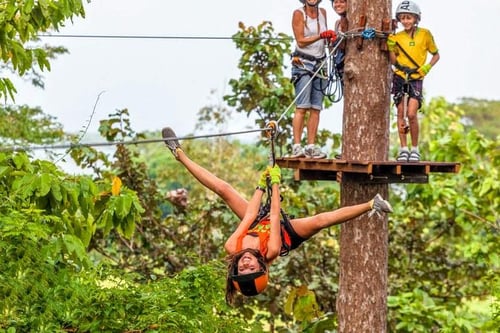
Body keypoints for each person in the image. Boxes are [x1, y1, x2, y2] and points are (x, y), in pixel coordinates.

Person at [162, 127, 393, 304]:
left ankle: (178, 153)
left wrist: (261, 185)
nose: (246, 263)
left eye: (242, 268)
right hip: (281, 232)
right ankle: (372, 204)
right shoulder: (270, 251)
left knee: (225, 190)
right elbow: (274, 217)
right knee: (320, 221)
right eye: (251, 268)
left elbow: (251, 214)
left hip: (255, 221)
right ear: (261, 267)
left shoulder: (233, 246)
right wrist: (275, 184)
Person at [387, 1, 440, 162]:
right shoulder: (397, 37)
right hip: (400, 75)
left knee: (411, 113)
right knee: (401, 113)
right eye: (402, 18)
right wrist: (390, 47)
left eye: (408, 18)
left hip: (416, 77)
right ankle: (404, 148)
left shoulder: (425, 34)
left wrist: (427, 67)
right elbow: (394, 61)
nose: (405, 21)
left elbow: (436, 55)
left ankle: (415, 148)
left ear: (416, 18)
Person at [290, 0, 337, 159]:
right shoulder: (299, 14)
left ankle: (311, 145)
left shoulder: (322, 12)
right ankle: (297, 146)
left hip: (320, 63)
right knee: (302, 106)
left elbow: (324, 40)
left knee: (316, 108)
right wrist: (320, 35)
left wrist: (330, 39)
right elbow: (301, 41)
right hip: (303, 63)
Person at [331, 0, 347, 82]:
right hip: (340, 65)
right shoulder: (337, 23)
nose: (338, 5)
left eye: (342, 1)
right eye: (335, 2)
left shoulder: (353, 21)